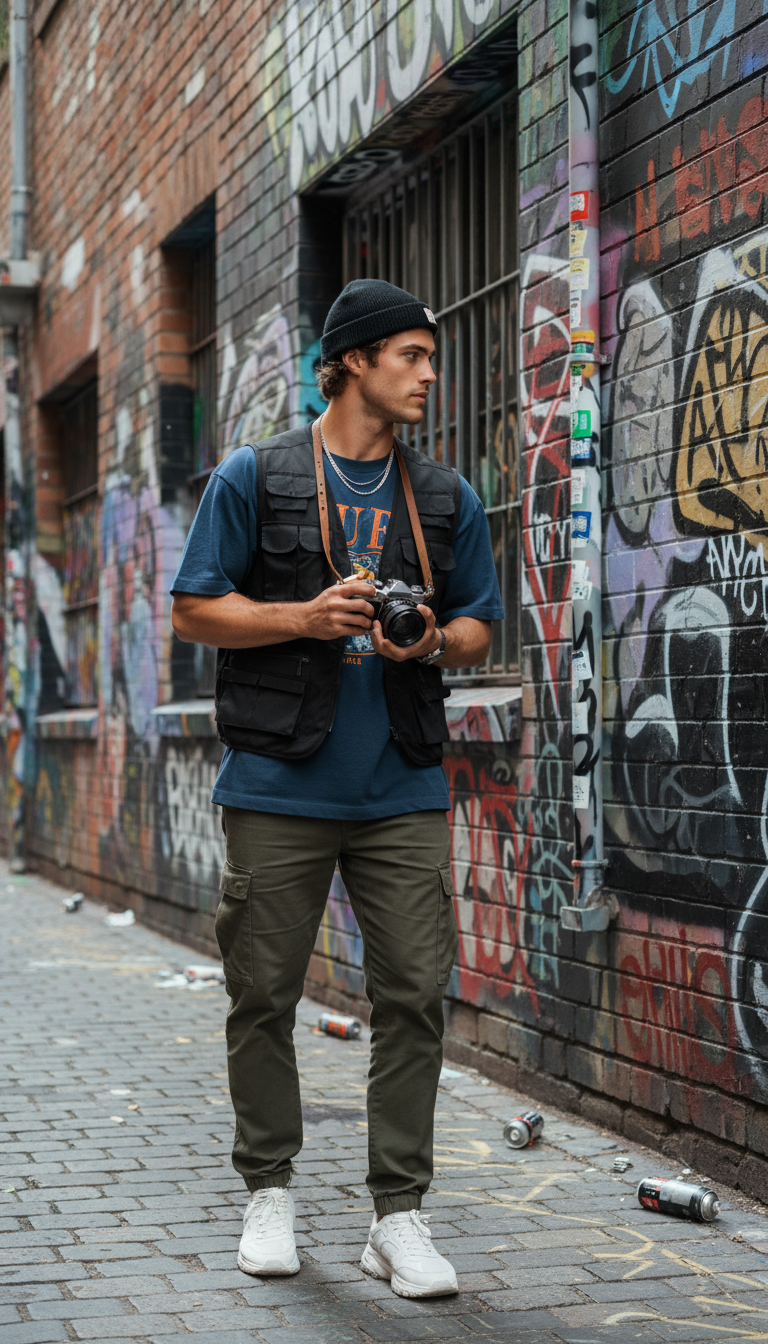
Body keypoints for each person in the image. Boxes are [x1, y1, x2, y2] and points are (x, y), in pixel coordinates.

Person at [171, 278, 504, 1299]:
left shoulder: (445, 498)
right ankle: (267, 1187)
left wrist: (430, 639)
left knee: (412, 997)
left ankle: (396, 1215)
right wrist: (304, 619)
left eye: (431, 355)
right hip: (278, 784)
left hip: (400, 782)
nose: (429, 373)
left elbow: (482, 626)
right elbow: (194, 610)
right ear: (351, 359)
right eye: (411, 353)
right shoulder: (255, 476)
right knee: (263, 994)